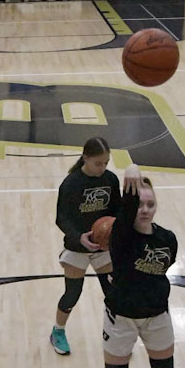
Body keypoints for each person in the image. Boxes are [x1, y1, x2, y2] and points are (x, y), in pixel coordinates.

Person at [87, 166, 180, 368]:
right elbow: (126, 211)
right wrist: (132, 172)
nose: (145, 209)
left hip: (157, 316)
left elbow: (162, 271)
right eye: (140, 203)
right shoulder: (121, 238)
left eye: (151, 204)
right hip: (121, 319)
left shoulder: (168, 239)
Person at [50, 137, 119, 355]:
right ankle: (57, 332)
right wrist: (80, 237)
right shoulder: (71, 184)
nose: (103, 168)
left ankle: (114, 334)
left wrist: (113, 232)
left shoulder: (111, 180)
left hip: (103, 249)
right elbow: (61, 219)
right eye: (98, 163)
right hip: (77, 247)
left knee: (113, 293)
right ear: (85, 158)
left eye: (106, 163)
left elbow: (118, 212)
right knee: (72, 294)